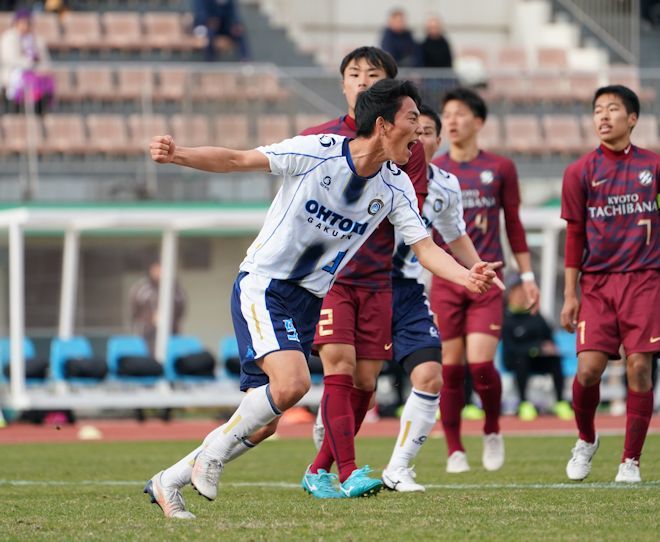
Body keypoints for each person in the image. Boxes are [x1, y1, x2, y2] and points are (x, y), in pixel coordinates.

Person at [144, 79, 498, 518]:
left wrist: (466, 276)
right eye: (412, 120)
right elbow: (239, 159)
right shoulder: (318, 151)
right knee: (292, 385)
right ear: (384, 125)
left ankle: (170, 480)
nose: (420, 132)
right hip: (266, 283)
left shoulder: (395, 185)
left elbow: (425, 248)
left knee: (265, 422)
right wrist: (178, 154)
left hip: (309, 299)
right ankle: (211, 457)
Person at [382, 103, 502, 492]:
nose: (419, 137)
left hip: (410, 290)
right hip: (363, 287)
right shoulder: (379, 173)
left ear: (437, 139)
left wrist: (475, 269)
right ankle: (327, 462)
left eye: (427, 131)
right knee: (354, 380)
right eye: (413, 129)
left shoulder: (447, 185)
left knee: (433, 373)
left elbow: (454, 237)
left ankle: (400, 466)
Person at [431, 87, 540, 474]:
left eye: (460, 113)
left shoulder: (501, 168)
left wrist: (526, 276)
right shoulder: (434, 170)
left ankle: (492, 429)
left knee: (480, 366)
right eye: (447, 113)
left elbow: (513, 224)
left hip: (488, 280)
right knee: (450, 368)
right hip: (446, 281)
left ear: (479, 121)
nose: (453, 121)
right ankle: (454, 449)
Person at [560, 84, 659, 484]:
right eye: (598, 110)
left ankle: (629, 462)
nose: (603, 116)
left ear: (632, 118)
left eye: (612, 109)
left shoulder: (654, 167)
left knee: (639, 368)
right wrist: (570, 292)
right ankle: (586, 439)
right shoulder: (580, 171)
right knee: (588, 371)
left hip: (645, 281)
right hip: (597, 285)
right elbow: (574, 236)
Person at [501, 272, 573, 421]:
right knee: (521, 360)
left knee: (555, 360)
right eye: (517, 290)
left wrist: (550, 348)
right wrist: (535, 348)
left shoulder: (535, 314)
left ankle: (560, 402)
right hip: (516, 361)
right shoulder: (505, 318)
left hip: (538, 359)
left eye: (524, 290)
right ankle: (524, 403)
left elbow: (548, 338)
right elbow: (511, 349)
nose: (521, 295)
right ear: (510, 294)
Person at [0, 8, 54, 114]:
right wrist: (31, 65)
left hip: (36, 72)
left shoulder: (36, 39)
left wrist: (42, 68)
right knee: (29, 81)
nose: (25, 25)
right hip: (14, 72)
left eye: (28, 22)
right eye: (23, 22)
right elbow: (10, 59)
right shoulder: (9, 37)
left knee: (47, 81)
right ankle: (20, 110)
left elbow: (44, 59)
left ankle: (39, 110)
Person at [129, 260, 187, 355]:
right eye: (157, 269)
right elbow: (133, 311)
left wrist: (170, 319)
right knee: (149, 361)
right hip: (147, 334)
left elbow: (181, 310)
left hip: (171, 332)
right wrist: (149, 319)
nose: (159, 272)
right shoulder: (141, 288)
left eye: (162, 269)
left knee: (170, 357)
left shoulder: (175, 288)